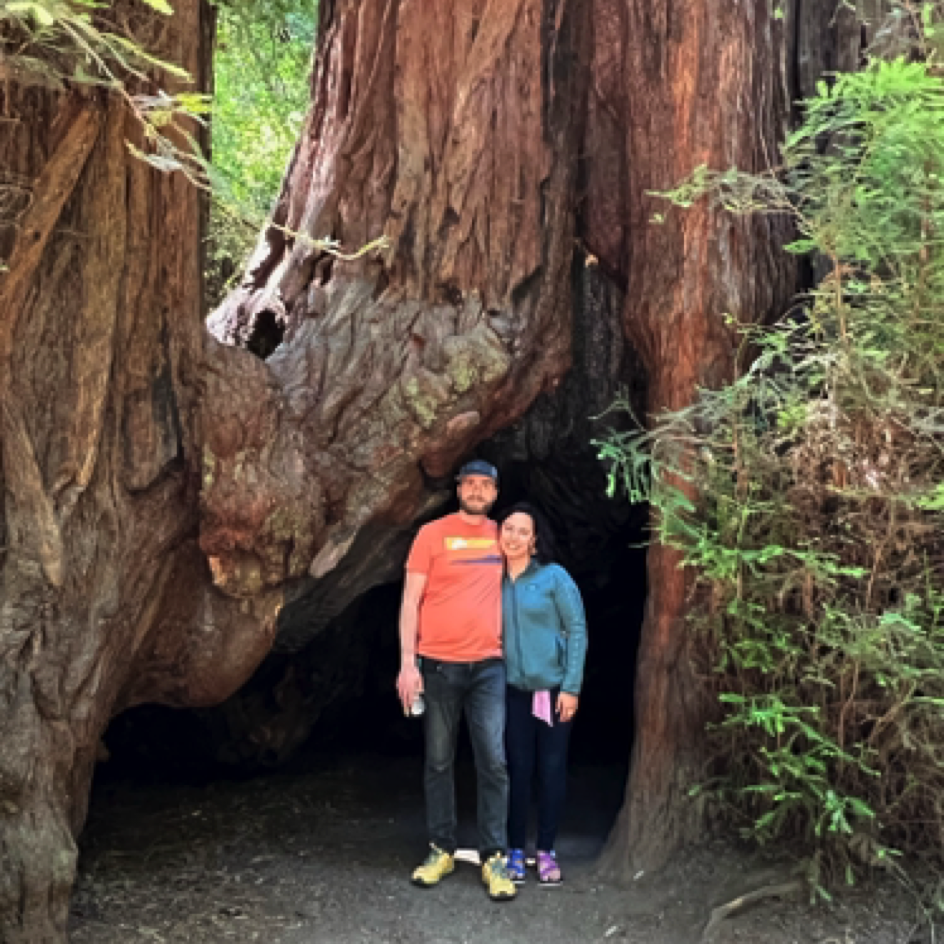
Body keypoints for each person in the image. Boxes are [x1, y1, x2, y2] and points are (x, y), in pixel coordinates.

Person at [396, 459, 517, 902]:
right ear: (459, 488)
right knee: (439, 760)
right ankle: (441, 848)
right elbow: (410, 601)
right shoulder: (431, 535)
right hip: (438, 664)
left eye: (486, 485)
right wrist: (408, 664)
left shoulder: (503, 537)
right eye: (471, 483)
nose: (478, 491)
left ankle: (493, 856)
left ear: (495, 493)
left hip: (488, 665)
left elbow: (525, 587)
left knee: (494, 760)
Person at [498, 502, 588, 887]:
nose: (514, 536)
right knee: (516, 771)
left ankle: (546, 850)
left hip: (551, 691)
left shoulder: (554, 577)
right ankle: (515, 851)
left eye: (523, 531)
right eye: (508, 528)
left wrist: (571, 687)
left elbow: (577, 630)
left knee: (550, 771)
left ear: (534, 541)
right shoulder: (492, 580)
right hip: (512, 691)